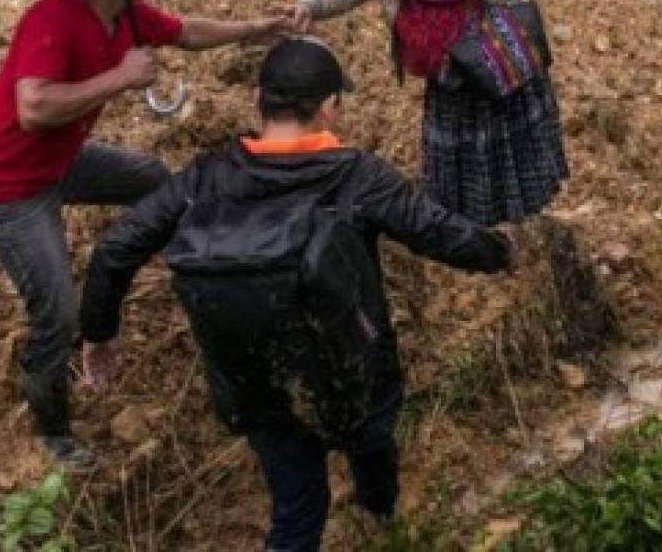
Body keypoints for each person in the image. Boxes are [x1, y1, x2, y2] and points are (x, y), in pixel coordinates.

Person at [78, 37, 513, 552]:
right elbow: (438, 232)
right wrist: (501, 252)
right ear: (329, 107)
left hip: (257, 383)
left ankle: (350, 514)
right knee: (372, 444)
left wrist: (99, 333)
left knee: (296, 510)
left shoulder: (207, 177)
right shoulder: (356, 177)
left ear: (259, 99)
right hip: (355, 374)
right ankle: (381, 513)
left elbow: (116, 249)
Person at [0, 0, 293, 465]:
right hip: (7, 188)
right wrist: (118, 77)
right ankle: (53, 430)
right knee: (59, 314)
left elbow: (187, 32)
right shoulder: (52, 18)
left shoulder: (126, 14)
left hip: (58, 162)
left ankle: (175, 273)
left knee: (154, 181)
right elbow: (33, 107)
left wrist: (263, 28)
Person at [286, 0, 568, 226]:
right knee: (462, 156)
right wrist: (307, 5)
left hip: (492, 63)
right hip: (449, 76)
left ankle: (525, 217)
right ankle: (467, 226)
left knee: (506, 145)